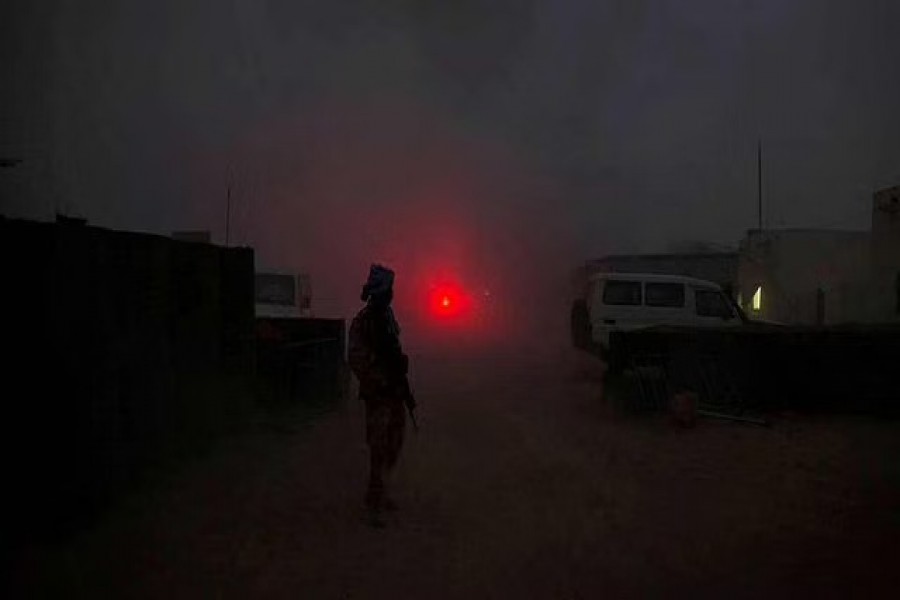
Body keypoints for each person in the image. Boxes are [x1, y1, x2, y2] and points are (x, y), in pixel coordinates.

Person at [348, 264, 415, 525]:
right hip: (378, 395)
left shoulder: (387, 317)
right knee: (378, 448)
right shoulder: (364, 321)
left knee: (394, 444)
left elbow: (394, 350)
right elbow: (356, 357)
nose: (391, 294)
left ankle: (381, 492)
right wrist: (380, 379)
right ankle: (373, 504)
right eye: (388, 290)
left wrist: (400, 372)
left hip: (394, 392)